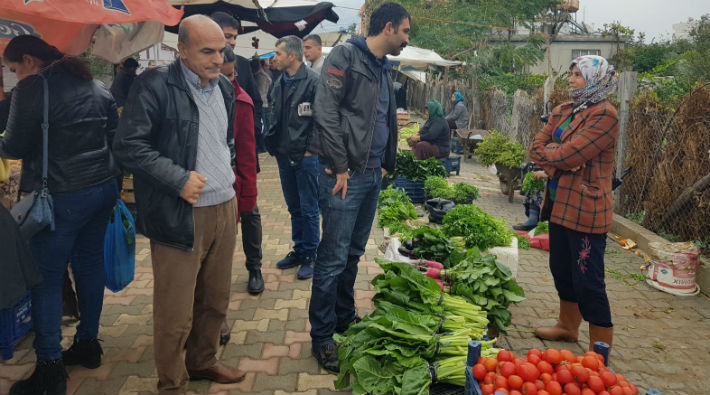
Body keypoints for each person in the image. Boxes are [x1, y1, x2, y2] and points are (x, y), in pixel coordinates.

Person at [112, 15, 245, 393]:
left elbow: (223, 143)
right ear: (181, 50)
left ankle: (203, 361)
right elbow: (128, 146)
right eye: (207, 51)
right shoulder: (154, 86)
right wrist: (178, 178)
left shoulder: (223, 89)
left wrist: (230, 184)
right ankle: (172, 382)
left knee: (216, 299)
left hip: (224, 205)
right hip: (180, 211)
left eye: (221, 50)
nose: (218, 59)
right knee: (175, 310)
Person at [1, 35, 120, 395]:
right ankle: (88, 344)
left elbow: (15, 147)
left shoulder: (33, 89)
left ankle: (50, 367)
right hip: (102, 190)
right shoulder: (96, 85)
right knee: (89, 265)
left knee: (46, 278)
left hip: (61, 198)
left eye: (12, 70)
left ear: (29, 60)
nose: (13, 77)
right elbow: (113, 134)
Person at [310, 2, 410, 372]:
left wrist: (386, 164)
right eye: (404, 31)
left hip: (370, 176)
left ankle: (344, 317)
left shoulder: (383, 68)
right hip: (345, 176)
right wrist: (339, 167)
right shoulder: (346, 55)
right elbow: (326, 111)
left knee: (352, 253)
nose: (405, 39)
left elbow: (384, 119)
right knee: (332, 258)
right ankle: (321, 337)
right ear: (387, 28)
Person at [528, 55, 619, 352]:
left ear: (596, 79)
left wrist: (558, 158)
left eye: (579, 75)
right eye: (572, 73)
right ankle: (568, 327)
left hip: (587, 210)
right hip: (558, 203)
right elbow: (536, 148)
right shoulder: (564, 109)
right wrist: (561, 160)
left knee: (588, 281)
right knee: (561, 270)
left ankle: (599, 351)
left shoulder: (606, 114)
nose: (571, 79)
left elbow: (572, 154)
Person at [210, 11, 265, 294]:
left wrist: (248, 132)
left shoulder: (241, 64)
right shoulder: (199, 68)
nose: (229, 40)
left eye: (232, 36)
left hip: (243, 154)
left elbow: (253, 101)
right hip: (211, 168)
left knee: (250, 212)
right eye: (225, 34)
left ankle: (254, 266)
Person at [265, 36, 320, 280]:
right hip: (283, 155)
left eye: (278, 53)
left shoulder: (313, 82)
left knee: (309, 208)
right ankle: (299, 250)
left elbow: (323, 121)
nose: (274, 58)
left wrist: (310, 149)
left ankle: (310, 255)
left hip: (305, 157)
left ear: (292, 56)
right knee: (294, 206)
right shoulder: (279, 82)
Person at [513, 162, 547, 231]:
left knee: (540, 194)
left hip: (550, 172)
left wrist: (546, 173)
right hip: (539, 168)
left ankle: (534, 221)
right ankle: (532, 219)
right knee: (533, 192)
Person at [254, 59, 272, 154]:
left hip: (263, 102)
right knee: (265, 126)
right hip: (263, 103)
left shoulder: (259, 74)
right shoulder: (261, 76)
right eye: (267, 64)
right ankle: (264, 146)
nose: (269, 66)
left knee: (265, 126)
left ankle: (264, 146)